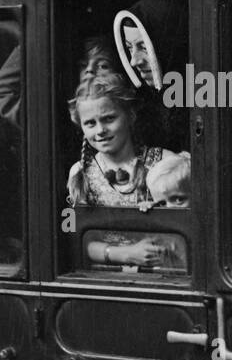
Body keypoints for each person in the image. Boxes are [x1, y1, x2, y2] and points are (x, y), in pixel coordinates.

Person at [66, 69, 183, 270]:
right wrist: (125, 254)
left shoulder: (164, 162)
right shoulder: (80, 173)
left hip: (163, 275)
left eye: (109, 118)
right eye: (90, 123)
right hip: (106, 280)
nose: (100, 130)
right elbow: (71, 239)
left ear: (129, 115)